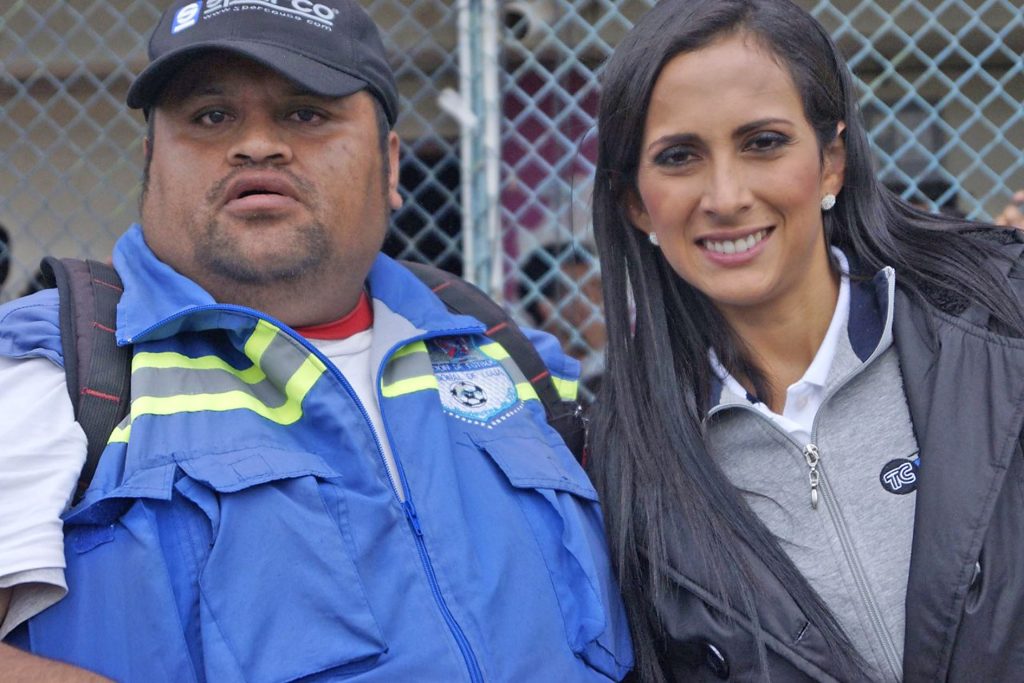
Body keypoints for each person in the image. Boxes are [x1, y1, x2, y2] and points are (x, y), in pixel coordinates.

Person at [0, 2, 632, 680]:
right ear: (151, 160)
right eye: (211, 117)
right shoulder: (56, 370)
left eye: (305, 113)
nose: (257, 145)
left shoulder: (514, 358)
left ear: (390, 166)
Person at [586, 1, 1024, 681]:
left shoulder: (1001, 327)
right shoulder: (618, 462)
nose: (726, 196)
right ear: (636, 203)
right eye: (679, 157)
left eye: (763, 142)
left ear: (831, 163)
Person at [518, 241, 605, 396]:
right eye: (586, 292)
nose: (602, 303)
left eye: (600, 288)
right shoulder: (526, 378)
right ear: (548, 308)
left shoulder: (611, 369)